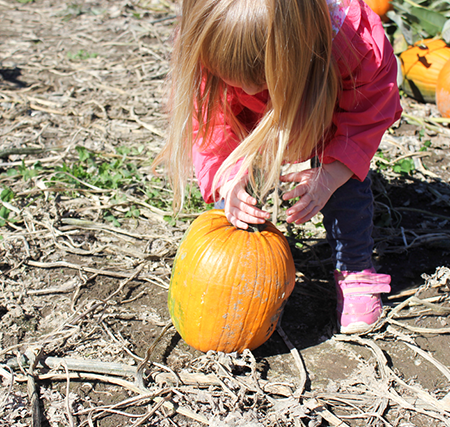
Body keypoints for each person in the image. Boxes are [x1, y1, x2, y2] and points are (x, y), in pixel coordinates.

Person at [153, 0, 402, 334]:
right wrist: (228, 179)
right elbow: (209, 127)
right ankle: (233, 269)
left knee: (346, 186)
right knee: (235, 199)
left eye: (259, 77)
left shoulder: (353, 43)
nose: (251, 90)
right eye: (233, 77)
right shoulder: (208, 37)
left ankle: (355, 268)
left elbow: (364, 119)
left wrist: (330, 177)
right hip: (243, 116)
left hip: (321, 101)